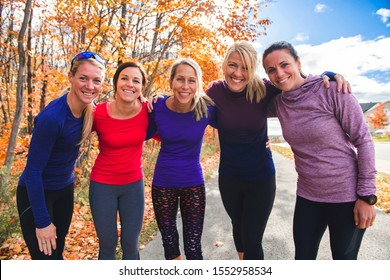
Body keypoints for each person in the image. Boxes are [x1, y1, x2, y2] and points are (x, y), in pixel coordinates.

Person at [205, 41, 350, 260]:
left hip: (260, 178)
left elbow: (299, 84)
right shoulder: (215, 91)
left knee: (252, 238)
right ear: (224, 65)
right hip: (229, 177)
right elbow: (189, 104)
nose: (238, 73)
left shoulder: (263, 88)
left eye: (245, 67)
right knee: (239, 227)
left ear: (252, 69)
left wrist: (329, 74)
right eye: (233, 65)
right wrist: (157, 101)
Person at [262, 41, 376, 260]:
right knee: (303, 260)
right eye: (271, 70)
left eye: (285, 64)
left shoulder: (331, 89)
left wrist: (367, 196)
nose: (279, 73)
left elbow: (363, 140)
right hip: (308, 197)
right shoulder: (278, 103)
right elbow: (246, 102)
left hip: (347, 197)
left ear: (298, 63)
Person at [16, 51, 106, 260]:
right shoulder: (52, 118)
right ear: (71, 77)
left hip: (64, 191)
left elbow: (121, 115)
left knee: (57, 256)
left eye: (96, 80)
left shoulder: (89, 110)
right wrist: (42, 221)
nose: (89, 86)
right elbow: (33, 172)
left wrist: (146, 100)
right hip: (37, 194)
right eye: (83, 78)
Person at [147, 58, 216, 260]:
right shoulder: (157, 106)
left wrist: (261, 137)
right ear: (171, 82)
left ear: (197, 84)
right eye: (180, 79)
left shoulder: (206, 109)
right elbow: (137, 129)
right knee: (170, 246)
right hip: (162, 184)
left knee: (193, 248)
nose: (185, 86)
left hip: (193, 184)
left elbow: (235, 125)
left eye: (191, 81)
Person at [89, 61, 152, 260]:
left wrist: (157, 99)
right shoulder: (96, 112)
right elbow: (71, 133)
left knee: (130, 245)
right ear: (116, 82)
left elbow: (172, 126)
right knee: (107, 245)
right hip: (102, 186)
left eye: (136, 80)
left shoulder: (149, 111)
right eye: (124, 78)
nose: (129, 84)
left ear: (141, 87)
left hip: (133, 186)